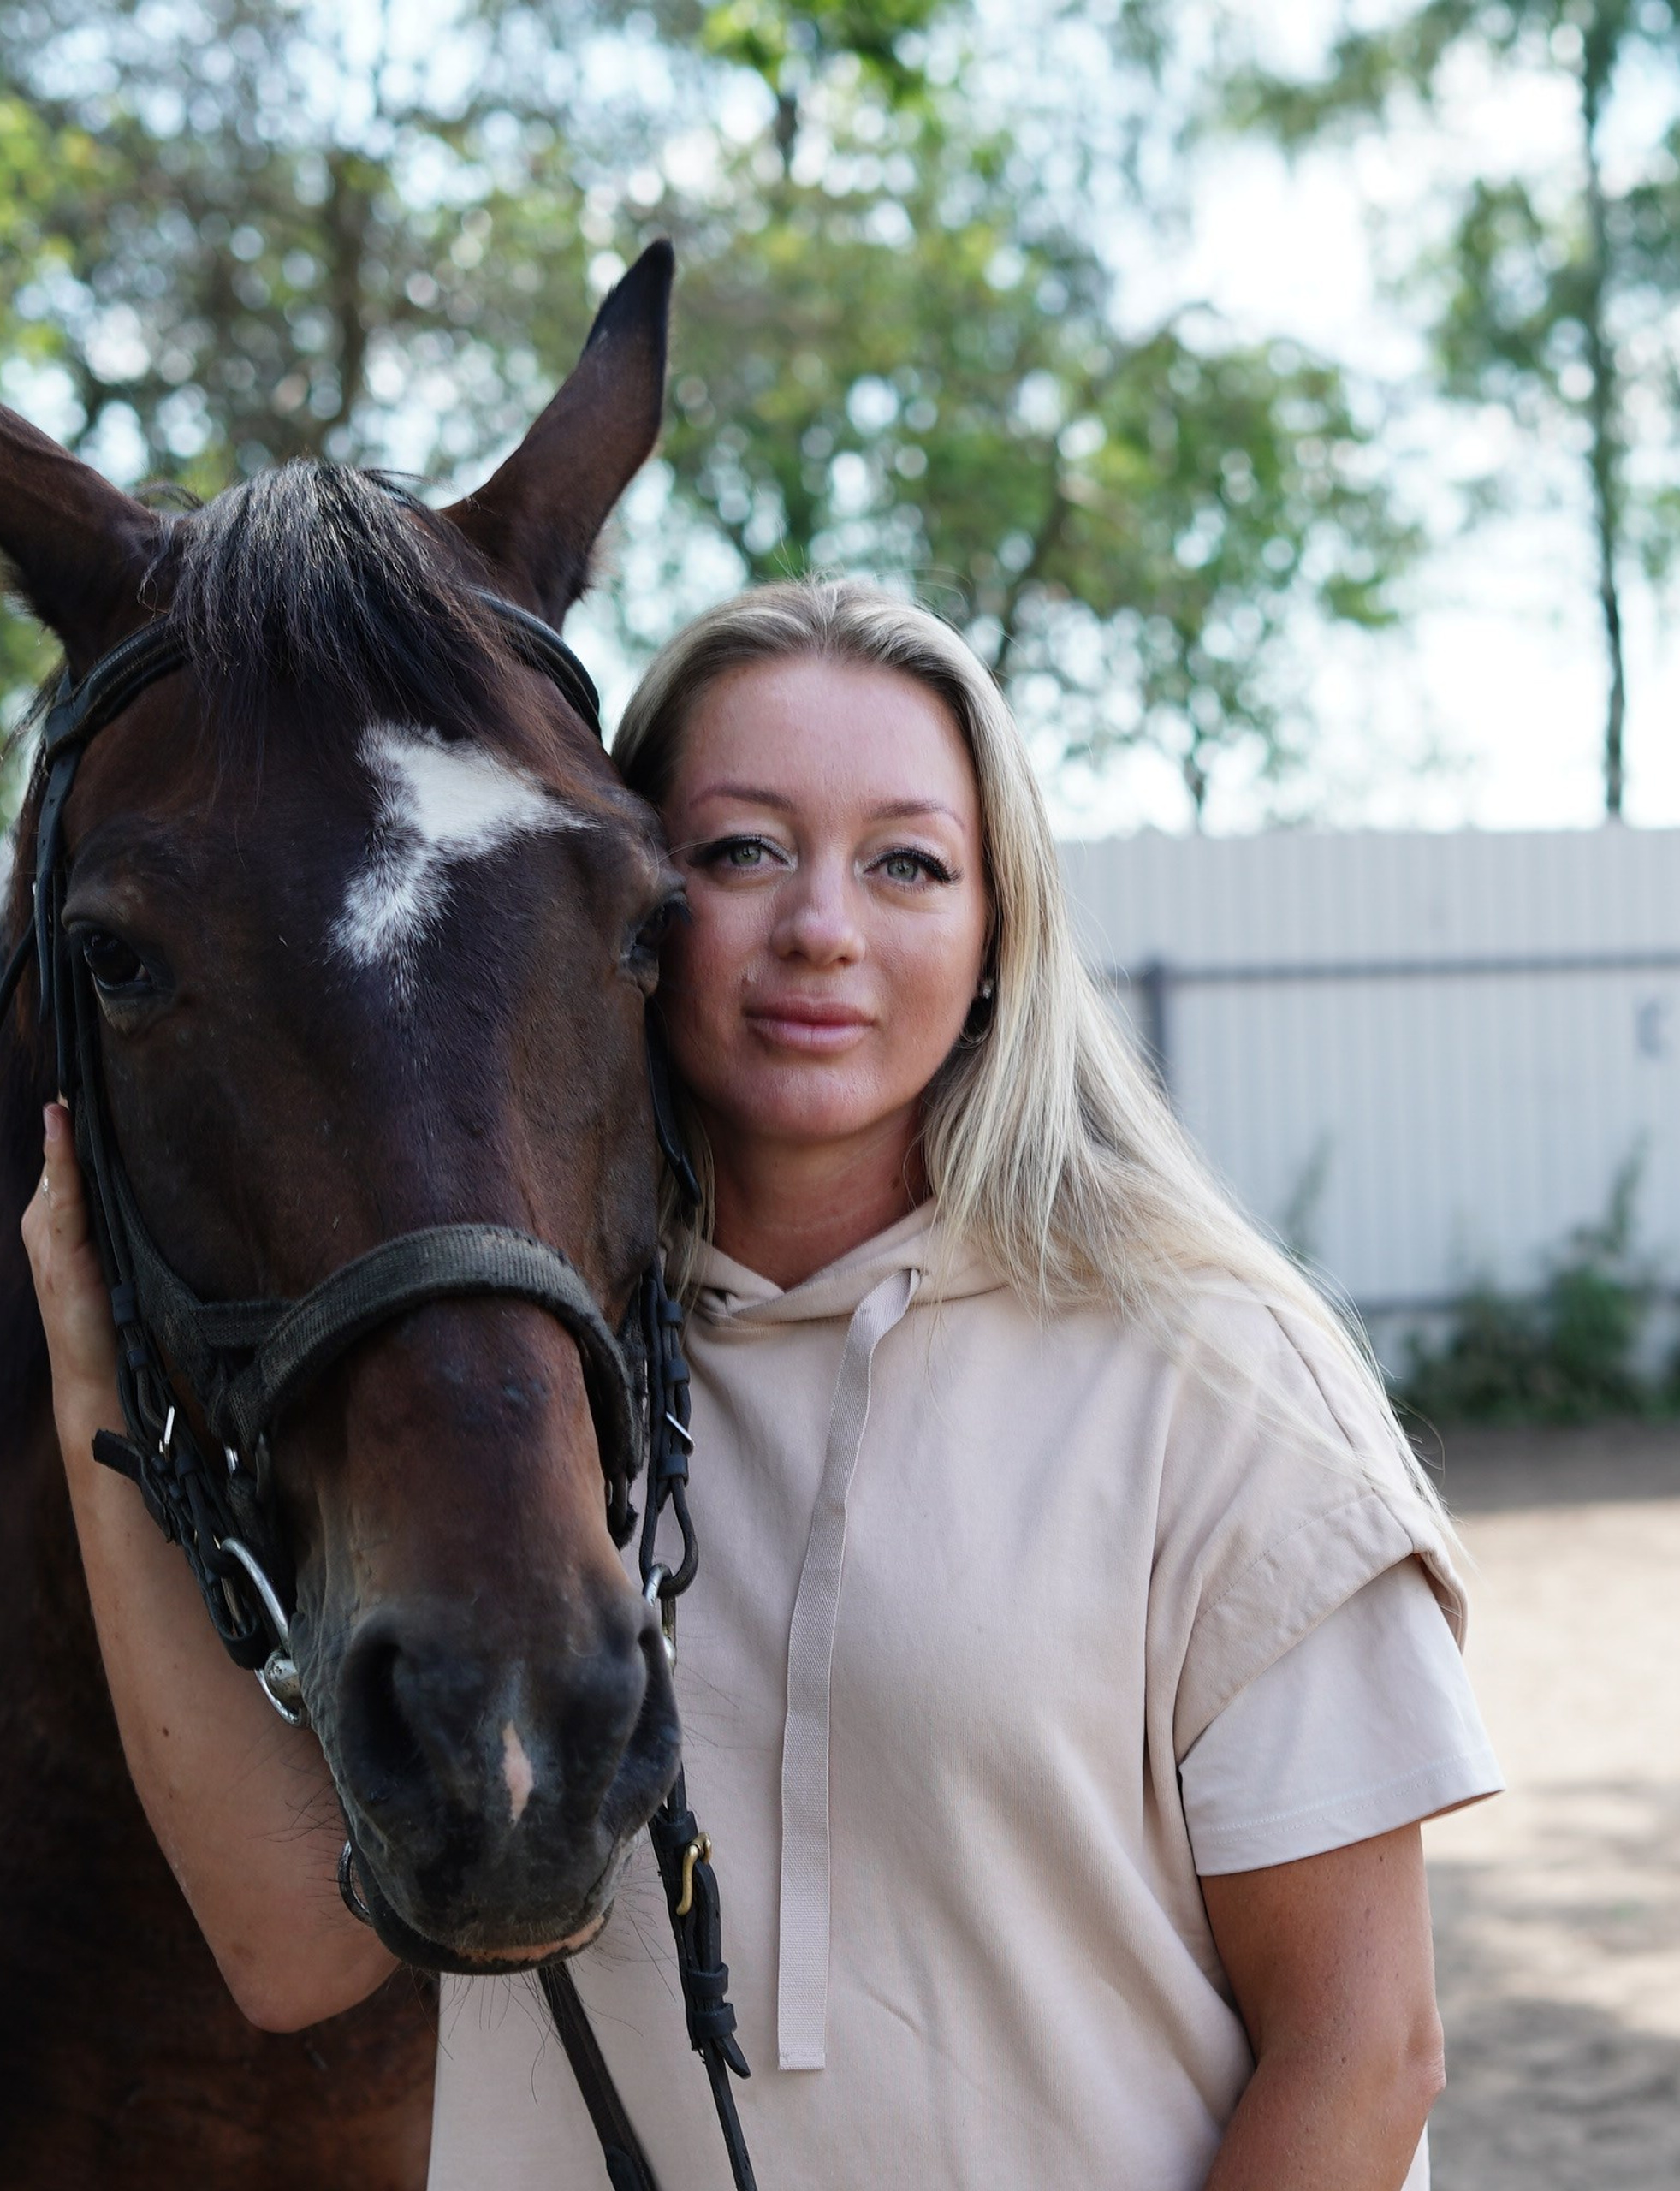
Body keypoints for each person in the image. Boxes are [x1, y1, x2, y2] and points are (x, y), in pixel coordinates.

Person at [27, 575, 1502, 2189]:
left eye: (908, 863)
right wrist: (90, 1368)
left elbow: (1367, 2051)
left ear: (999, 934)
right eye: (742, 851)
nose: (822, 928)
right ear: (640, 914)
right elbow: (292, 1955)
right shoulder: (509, 1390)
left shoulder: (1219, 1375)